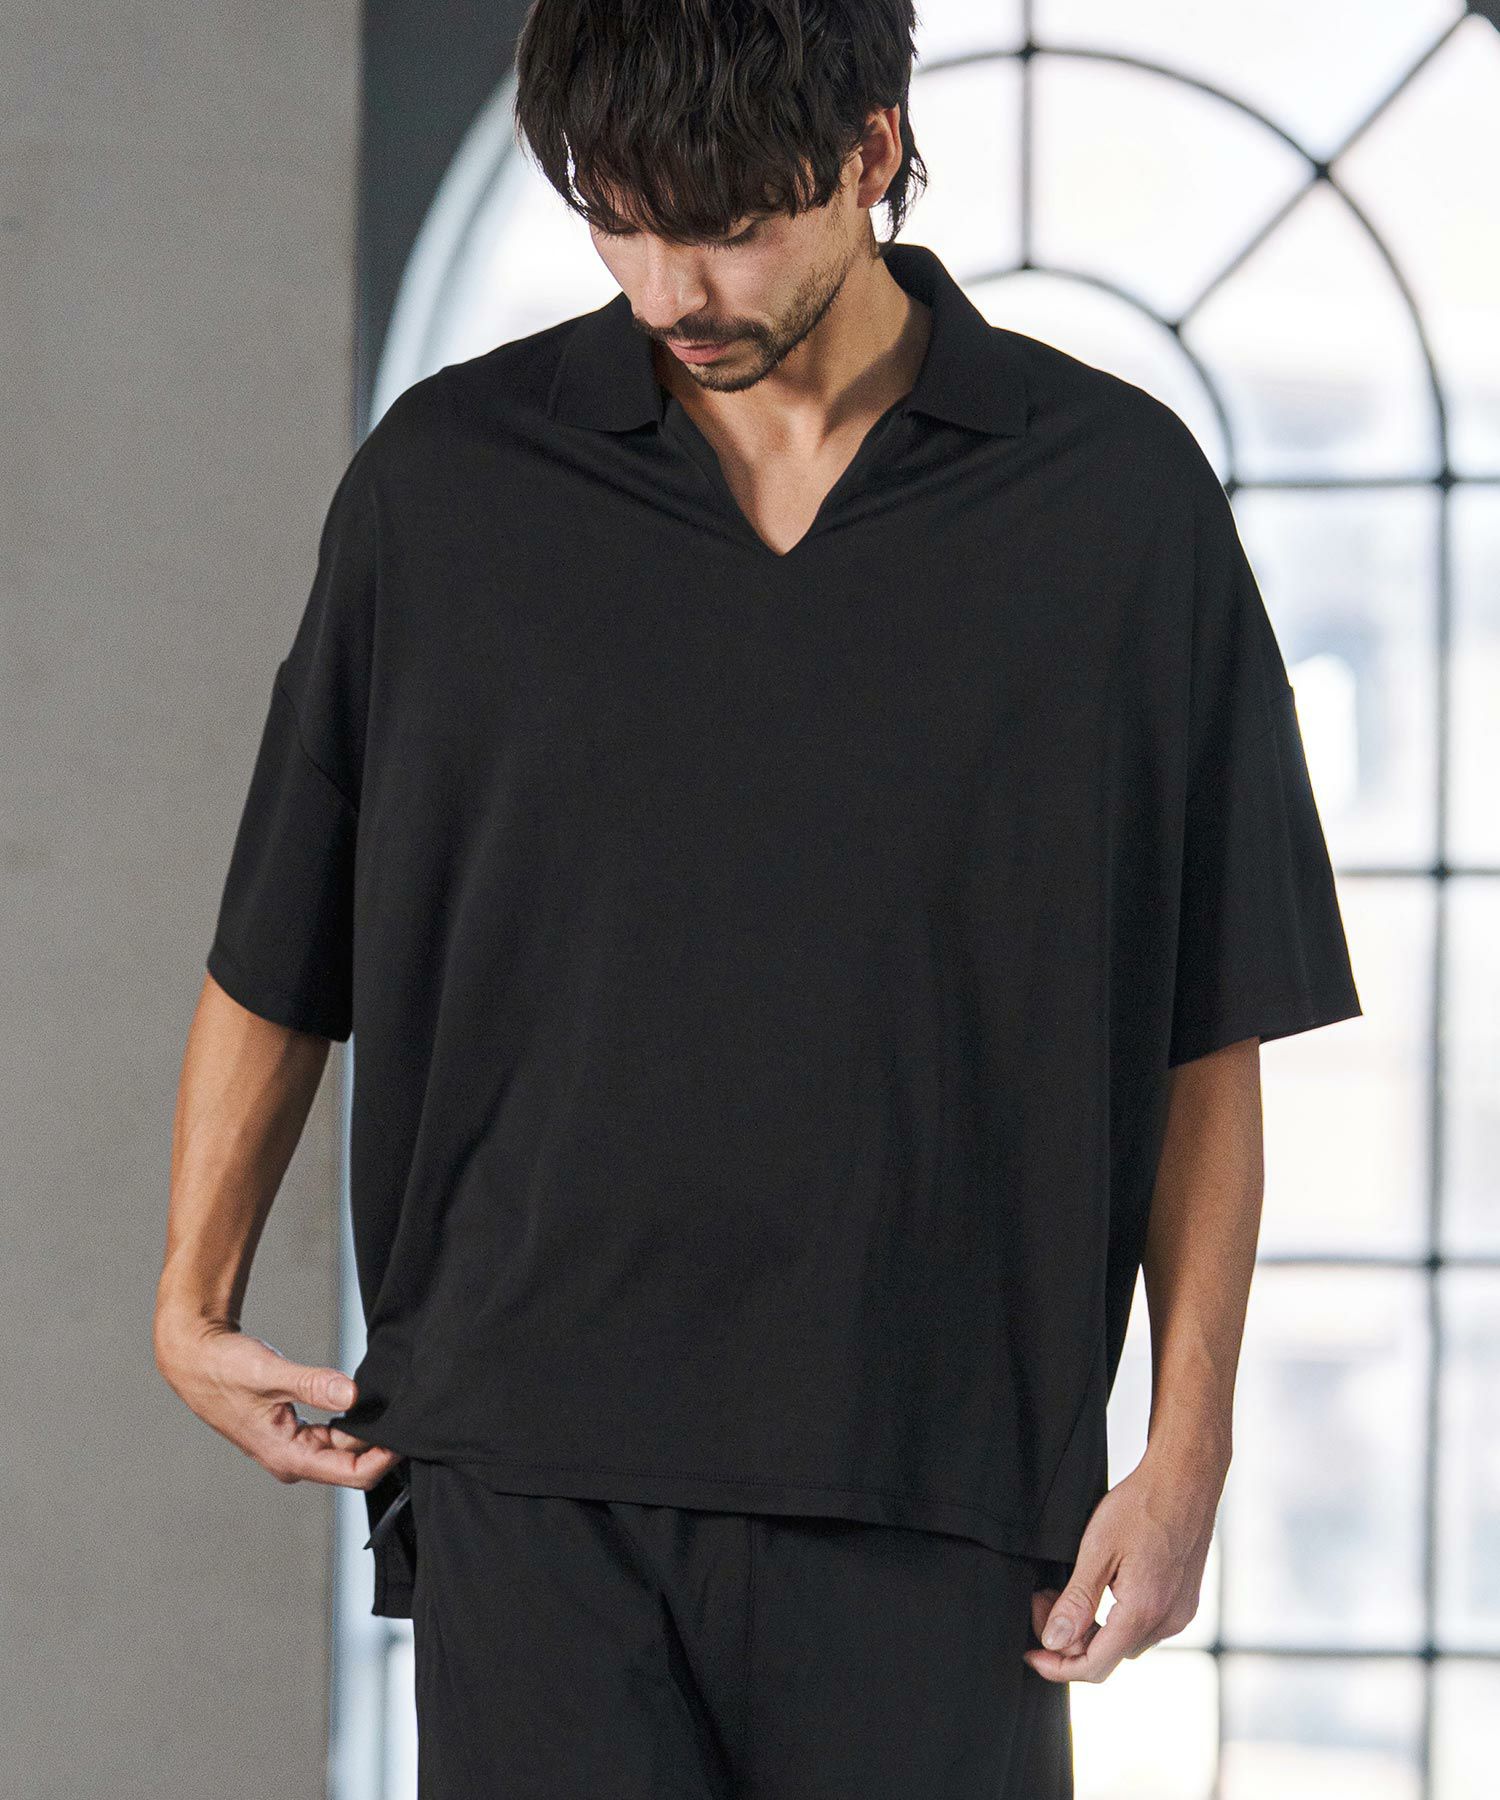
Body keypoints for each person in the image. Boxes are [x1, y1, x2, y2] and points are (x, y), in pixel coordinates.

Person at [155, 1, 1363, 1794]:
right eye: (618, 221)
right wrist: (191, 1297)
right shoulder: (448, 485)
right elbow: (282, 934)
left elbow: (1209, 1024)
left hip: (937, 1482)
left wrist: (1187, 1450)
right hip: (528, 1471)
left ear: (872, 151)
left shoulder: (1113, 505)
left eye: (726, 226)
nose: (669, 290)